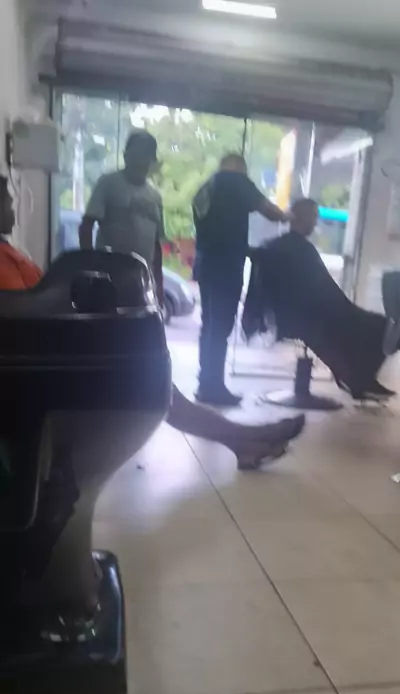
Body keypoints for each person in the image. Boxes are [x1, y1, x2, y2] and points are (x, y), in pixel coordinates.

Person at [0, 175, 304, 468]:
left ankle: (243, 439)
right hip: (36, 364)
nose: (14, 207)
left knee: (153, 375)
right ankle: (244, 438)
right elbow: (24, 314)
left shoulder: (9, 252)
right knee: (150, 379)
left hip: (50, 352)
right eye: (8, 201)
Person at [245, 198, 393, 400]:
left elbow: (315, 289)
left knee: (354, 326)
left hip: (294, 313)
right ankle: (358, 378)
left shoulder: (277, 246)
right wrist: (343, 307)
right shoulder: (297, 249)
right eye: (313, 217)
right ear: (300, 218)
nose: (315, 223)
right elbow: (321, 291)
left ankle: (354, 377)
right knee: (379, 326)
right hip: (303, 316)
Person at [193, 153, 289, 407]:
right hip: (225, 268)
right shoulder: (235, 182)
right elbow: (270, 212)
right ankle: (213, 387)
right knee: (220, 327)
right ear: (240, 169)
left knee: (210, 325)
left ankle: (205, 383)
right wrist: (289, 216)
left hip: (206, 265)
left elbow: (218, 232)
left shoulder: (206, 189)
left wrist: (245, 250)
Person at [79, 130, 164, 295]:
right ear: (126, 155)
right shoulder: (108, 183)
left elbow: (156, 244)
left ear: (152, 160)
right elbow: (86, 226)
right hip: (109, 279)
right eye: (137, 153)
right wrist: (90, 268)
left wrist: (159, 284)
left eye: (146, 154)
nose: (141, 159)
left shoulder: (155, 197)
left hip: (142, 281)